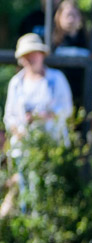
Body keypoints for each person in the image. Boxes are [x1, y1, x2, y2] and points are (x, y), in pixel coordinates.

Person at [4, 34, 73, 194]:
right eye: (26, 55)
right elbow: (9, 116)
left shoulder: (56, 79)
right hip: (25, 147)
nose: (30, 58)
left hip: (52, 144)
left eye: (33, 53)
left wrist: (45, 116)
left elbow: (67, 109)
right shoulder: (16, 83)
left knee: (50, 188)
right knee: (26, 189)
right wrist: (18, 131)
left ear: (41, 54)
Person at [49, 0, 91, 107]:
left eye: (74, 15)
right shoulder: (53, 43)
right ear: (59, 17)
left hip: (82, 96)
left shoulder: (88, 41)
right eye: (67, 15)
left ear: (80, 18)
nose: (71, 19)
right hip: (58, 98)